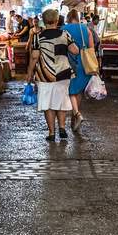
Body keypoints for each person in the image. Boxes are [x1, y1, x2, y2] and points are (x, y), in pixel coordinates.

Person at [26, 9, 79, 141]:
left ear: (44, 21)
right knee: (60, 101)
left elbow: (34, 56)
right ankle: (62, 127)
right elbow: (75, 50)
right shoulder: (64, 34)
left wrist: (29, 73)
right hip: (63, 72)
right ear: (57, 21)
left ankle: (51, 132)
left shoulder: (39, 36)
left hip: (44, 74)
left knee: (47, 104)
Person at [62, 9, 95, 131]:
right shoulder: (86, 29)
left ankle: (76, 114)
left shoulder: (64, 29)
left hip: (70, 63)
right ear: (77, 17)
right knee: (78, 90)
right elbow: (91, 48)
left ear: (68, 18)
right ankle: (74, 117)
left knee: (70, 90)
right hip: (84, 64)